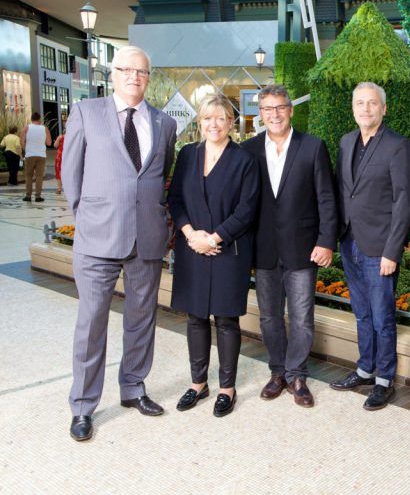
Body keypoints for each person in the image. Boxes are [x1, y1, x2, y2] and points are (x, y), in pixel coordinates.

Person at [62, 46, 178, 442]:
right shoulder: (86, 112)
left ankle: (133, 388)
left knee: (141, 319)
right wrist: (86, 218)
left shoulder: (164, 124)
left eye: (141, 71)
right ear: (112, 74)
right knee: (92, 322)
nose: (133, 76)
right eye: (126, 69)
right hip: (97, 237)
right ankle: (82, 406)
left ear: (149, 78)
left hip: (146, 237)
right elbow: (70, 175)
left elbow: (163, 178)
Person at [242, 85, 337, 408]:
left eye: (280, 107)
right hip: (263, 247)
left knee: (301, 318)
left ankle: (297, 375)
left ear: (291, 110)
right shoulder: (248, 149)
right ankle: (278, 371)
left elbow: (326, 197)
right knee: (269, 318)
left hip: (303, 247)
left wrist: (326, 240)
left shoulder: (312, 147)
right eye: (268, 109)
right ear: (261, 114)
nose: (275, 114)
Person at [168, 93, 259, 417]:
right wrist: (192, 234)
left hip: (226, 248)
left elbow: (247, 209)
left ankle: (226, 388)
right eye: (207, 118)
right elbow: (175, 199)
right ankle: (197, 384)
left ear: (231, 122)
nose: (214, 124)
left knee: (225, 319)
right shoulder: (188, 155)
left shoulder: (244, 160)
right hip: (193, 247)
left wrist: (215, 237)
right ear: (200, 122)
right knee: (195, 316)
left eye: (220, 118)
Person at [329, 82, 410, 411]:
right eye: (360, 103)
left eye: (372, 103)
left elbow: (404, 201)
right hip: (350, 241)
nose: (366, 109)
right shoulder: (346, 141)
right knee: (362, 314)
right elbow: (342, 193)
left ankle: (384, 379)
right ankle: (365, 368)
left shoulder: (397, 145)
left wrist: (393, 251)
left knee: (382, 317)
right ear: (353, 109)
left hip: (380, 247)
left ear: (384, 108)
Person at [20, 111, 51, 202]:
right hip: (41, 155)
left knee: (29, 176)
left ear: (31, 119)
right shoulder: (44, 128)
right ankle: (38, 196)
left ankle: (28, 196)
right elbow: (49, 143)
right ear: (39, 119)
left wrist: (27, 148)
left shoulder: (26, 128)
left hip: (30, 154)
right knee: (39, 176)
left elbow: (22, 142)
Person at [53, 126, 65, 194]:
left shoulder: (61, 137)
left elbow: (55, 145)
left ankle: (59, 188)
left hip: (60, 155)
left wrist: (57, 140)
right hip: (69, 156)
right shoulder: (72, 137)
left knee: (58, 172)